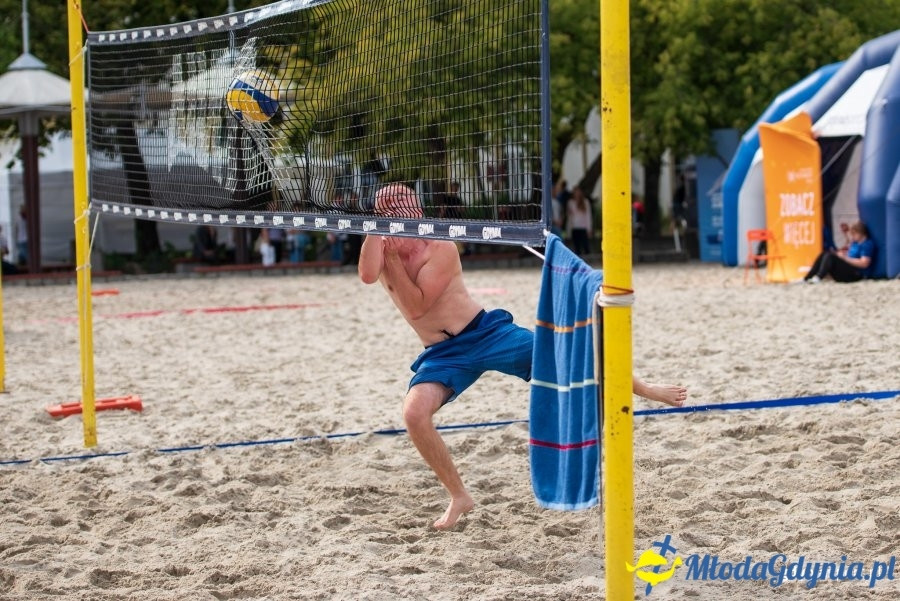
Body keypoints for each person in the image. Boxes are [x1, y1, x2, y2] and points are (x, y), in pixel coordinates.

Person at [359, 184, 687, 530]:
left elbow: (417, 304)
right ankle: (459, 496)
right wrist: (375, 239)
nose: (395, 214)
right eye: (387, 210)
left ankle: (643, 387)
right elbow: (367, 275)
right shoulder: (379, 244)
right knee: (413, 413)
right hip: (442, 353)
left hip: (484, 332)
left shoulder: (440, 246)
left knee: (564, 355)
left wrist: (392, 258)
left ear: (417, 210)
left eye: (402, 206)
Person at [803, 220, 876, 283]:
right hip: (849, 267)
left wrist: (845, 258)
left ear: (861, 233)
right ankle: (808, 277)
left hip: (857, 273)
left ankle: (819, 277)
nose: (853, 236)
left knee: (830, 256)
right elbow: (849, 252)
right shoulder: (855, 243)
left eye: (854, 234)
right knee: (825, 253)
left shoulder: (867, 244)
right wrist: (842, 254)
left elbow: (864, 263)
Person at [566, 186, 593, 257]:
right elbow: (570, 217)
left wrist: (589, 228)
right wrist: (569, 229)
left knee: (585, 245)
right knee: (577, 246)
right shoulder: (570, 203)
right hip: (575, 227)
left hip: (583, 227)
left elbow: (588, 216)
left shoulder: (585, 202)